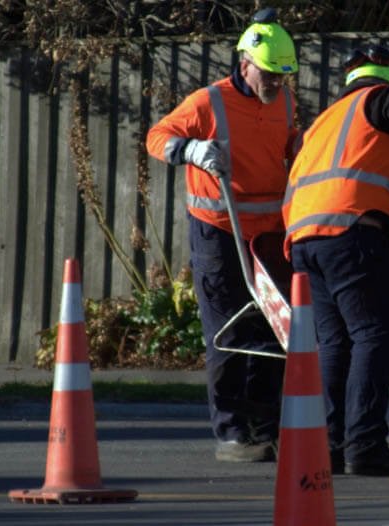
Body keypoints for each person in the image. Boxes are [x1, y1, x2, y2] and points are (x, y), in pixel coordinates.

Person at [281, 44, 389, 476]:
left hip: (304, 239)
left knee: (335, 344)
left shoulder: (326, 118)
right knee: (374, 334)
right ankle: (365, 447)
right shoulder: (383, 98)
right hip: (351, 231)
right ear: (387, 75)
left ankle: (331, 446)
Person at [145, 10, 299, 462]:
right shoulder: (207, 102)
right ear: (246, 62)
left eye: (283, 76)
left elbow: (284, 145)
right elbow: (157, 137)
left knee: (273, 329)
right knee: (228, 329)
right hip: (218, 232)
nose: (276, 84)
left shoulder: (285, 101)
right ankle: (232, 432)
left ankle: (264, 426)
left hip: (268, 235)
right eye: (270, 74)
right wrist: (191, 149)